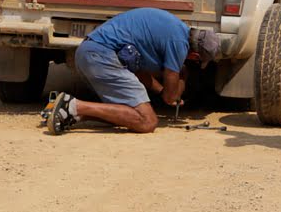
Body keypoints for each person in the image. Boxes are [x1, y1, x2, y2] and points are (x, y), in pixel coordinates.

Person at [47, 8, 221, 135]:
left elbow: (138, 74)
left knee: (127, 112)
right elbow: (171, 97)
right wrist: (183, 75)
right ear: (195, 55)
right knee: (147, 121)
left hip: (88, 53)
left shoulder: (175, 29)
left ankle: (68, 112)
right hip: (102, 56)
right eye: (196, 61)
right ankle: (74, 105)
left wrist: (160, 90)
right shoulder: (179, 44)